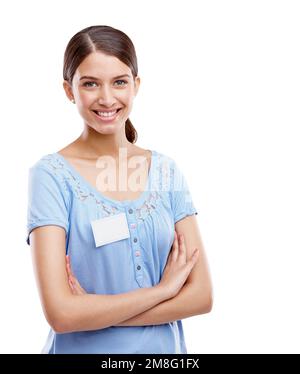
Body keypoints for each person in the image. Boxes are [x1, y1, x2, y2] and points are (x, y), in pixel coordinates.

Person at [26, 25, 213, 354]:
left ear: (136, 85)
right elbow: (62, 313)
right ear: (69, 90)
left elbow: (202, 296)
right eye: (90, 84)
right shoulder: (51, 176)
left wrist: (100, 314)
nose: (107, 98)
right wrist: (164, 290)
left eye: (119, 82)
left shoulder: (166, 172)